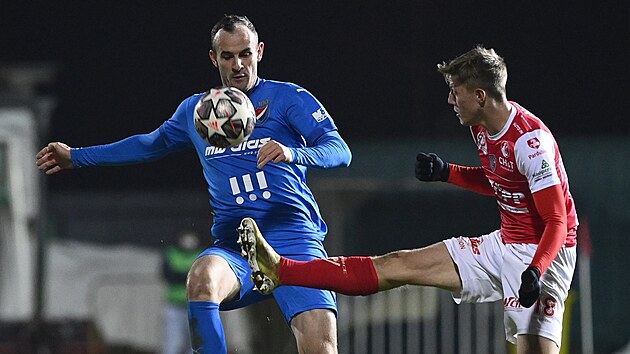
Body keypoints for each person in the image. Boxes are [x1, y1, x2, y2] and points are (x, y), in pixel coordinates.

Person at [35, 14, 351, 354]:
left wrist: (294, 153)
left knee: (321, 349)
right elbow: (149, 144)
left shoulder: (287, 98)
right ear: (214, 59)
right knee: (201, 278)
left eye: (245, 53)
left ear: (259, 51)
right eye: (228, 56)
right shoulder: (199, 111)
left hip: (293, 239)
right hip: (237, 245)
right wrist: (78, 156)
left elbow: (339, 150)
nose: (239, 65)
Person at [238, 45, 578, 354]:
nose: (449, 101)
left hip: (547, 253)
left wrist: (535, 270)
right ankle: (281, 270)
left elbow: (557, 221)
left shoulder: (531, 143)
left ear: (479, 95)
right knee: (397, 263)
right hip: (505, 242)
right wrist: (448, 172)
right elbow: (501, 182)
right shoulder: (481, 124)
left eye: (454, 93)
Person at [161, 229, 204, 354]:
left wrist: (182, 275)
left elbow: (204, 276)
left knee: (193, 343)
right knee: (172, 342)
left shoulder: (202, 253)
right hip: (174, 305)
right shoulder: (171, 252)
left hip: (195, 306)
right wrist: (189, 275)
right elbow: (168, 275)